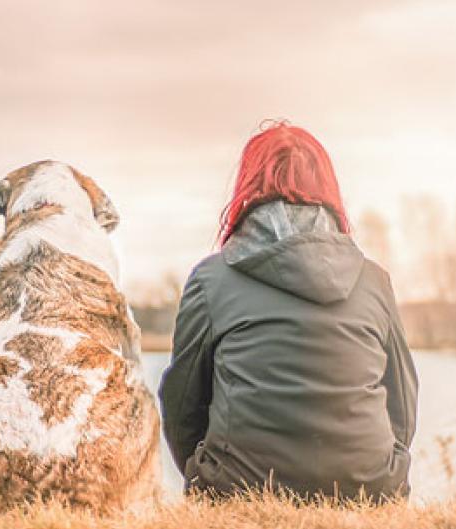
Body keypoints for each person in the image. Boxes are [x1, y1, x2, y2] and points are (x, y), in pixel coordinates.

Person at [158, 121, 418, 502]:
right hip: (370, 489)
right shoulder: (374, 281)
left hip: (237, 488)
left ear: (247, 188)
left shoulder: (211, 279)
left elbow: (182, 404)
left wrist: (206, 476)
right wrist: (382, 469)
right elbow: (403, 403)